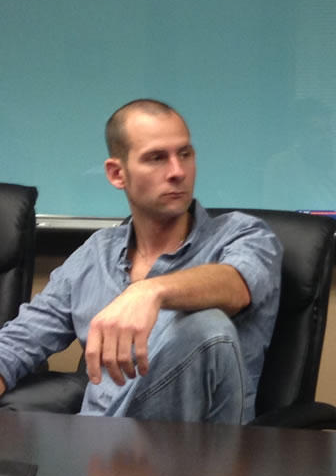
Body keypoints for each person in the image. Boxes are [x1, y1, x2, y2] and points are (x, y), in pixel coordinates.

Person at [0, 99, 282, 423]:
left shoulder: (243, 234)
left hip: (197, 460)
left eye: (185, 154)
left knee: (208, 327)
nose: (177, 172)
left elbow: (238, 285)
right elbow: (18, 343)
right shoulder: (96, 254)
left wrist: (149, 291)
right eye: (156, 158)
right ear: (117, 174)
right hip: (94, 453)